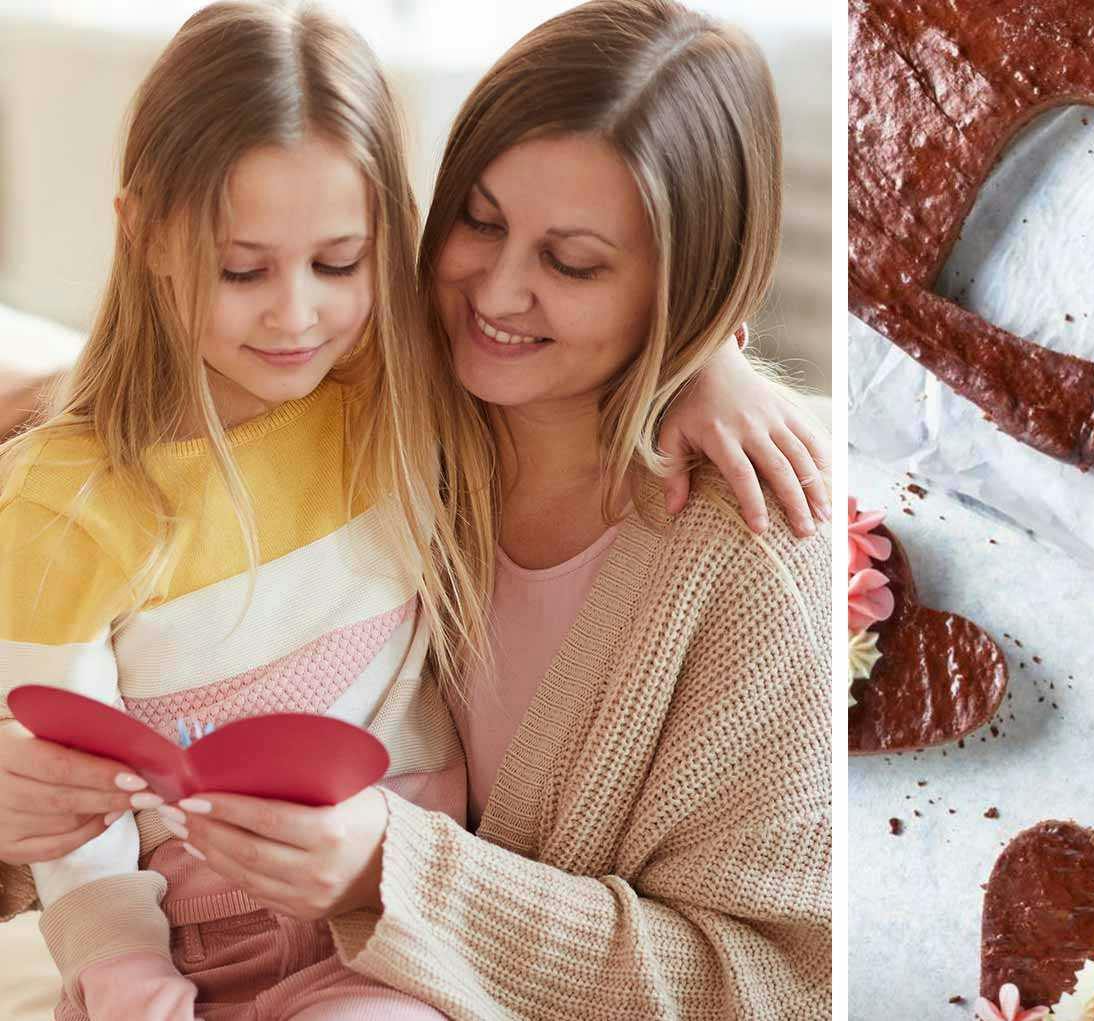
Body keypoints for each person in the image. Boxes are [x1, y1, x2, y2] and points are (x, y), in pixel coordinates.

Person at [0, 2, 827, 1018]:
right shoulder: (400, 399)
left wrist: (392, 874)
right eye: (478, 220)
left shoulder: (750, 552)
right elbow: (96, 429)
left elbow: (784, 985)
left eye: (571, 263)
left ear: (686, 287)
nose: (499, 292)